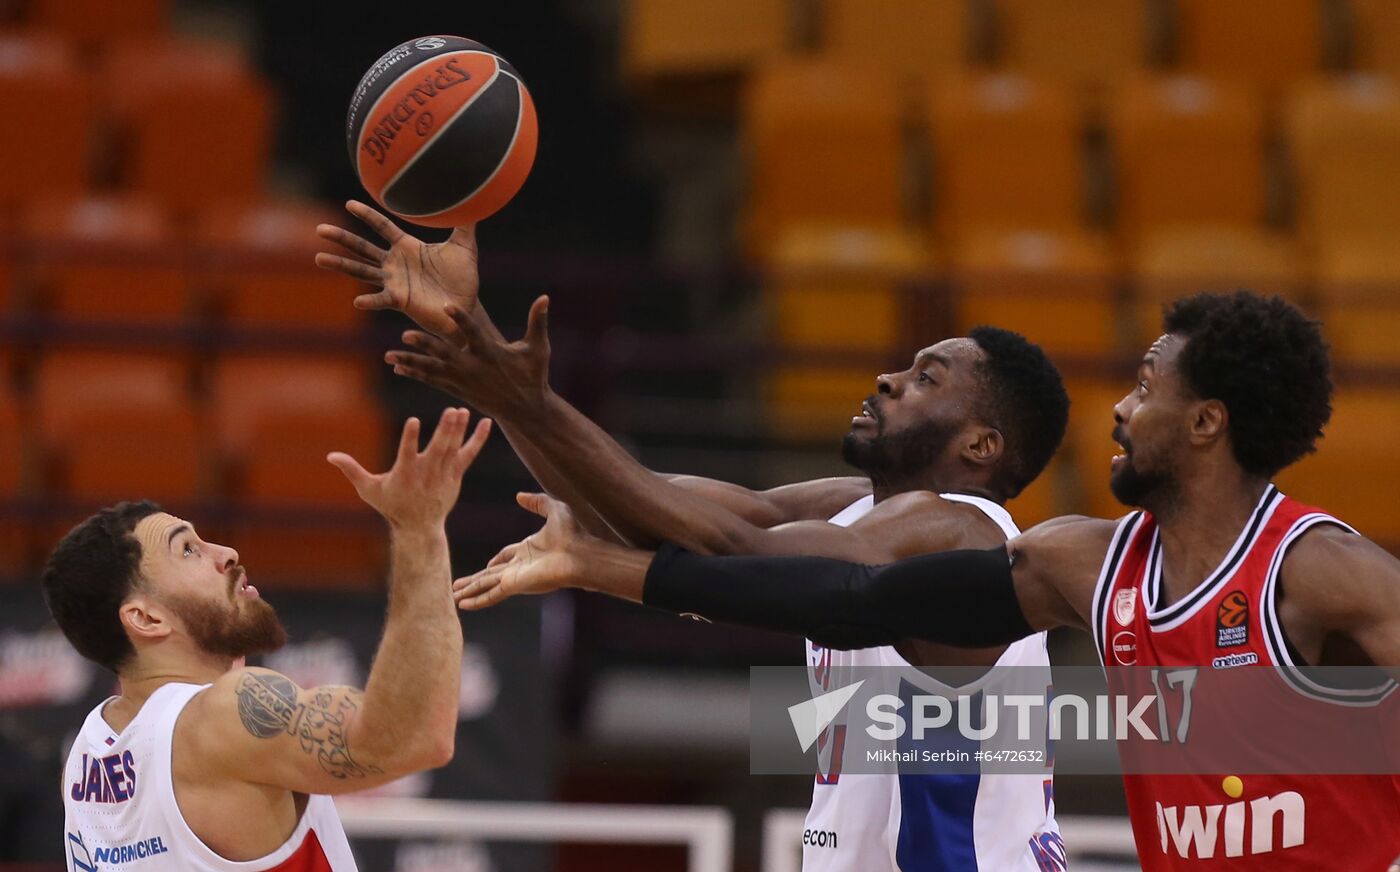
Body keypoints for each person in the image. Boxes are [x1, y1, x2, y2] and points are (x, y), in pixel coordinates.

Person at [460, 291, 1400, 870]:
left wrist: (548, 446)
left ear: (1205, 423)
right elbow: (832, 594)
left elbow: (741, 550)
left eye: (1147, 387)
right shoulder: (1078, 561)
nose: (1120, 408)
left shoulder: (1324, 572)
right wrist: (522, 421)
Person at [316, 201, 1072, 870]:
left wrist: (528, 404)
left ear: (981, 446)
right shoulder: (855, 508)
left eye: (927, 379)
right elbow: (641, 510)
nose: (888, 380)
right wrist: (484, 353)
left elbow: (732, 553)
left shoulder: (962, 532)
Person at [46, 408, 490, 870]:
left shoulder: (84, 760)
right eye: (188, 549)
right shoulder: (224, 715)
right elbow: (413, 736)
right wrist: (419, 529)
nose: (226, 553)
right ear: (145, 617)